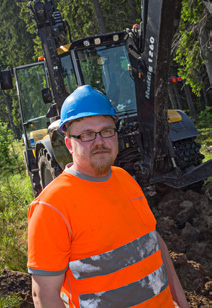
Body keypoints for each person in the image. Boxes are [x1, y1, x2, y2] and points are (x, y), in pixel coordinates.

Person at [27, 85, 189, 308]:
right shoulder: (51, 206)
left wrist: (181, 302)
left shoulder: (126, 179)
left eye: (106, 131)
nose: (99, 141)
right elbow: (45, 296)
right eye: (87, 135)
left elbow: (155, 243)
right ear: (69, 144)